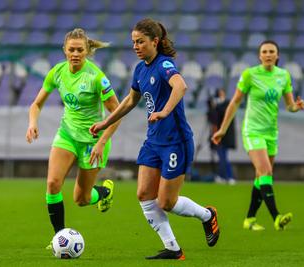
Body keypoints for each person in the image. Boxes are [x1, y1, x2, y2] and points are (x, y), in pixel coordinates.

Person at [90, 18, 219, 260]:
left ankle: (207, 215)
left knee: (166, 202)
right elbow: (130, 101)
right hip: (153, 142)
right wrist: (105, 123)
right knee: (143, 195)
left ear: (155, 41)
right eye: (133, 42)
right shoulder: (140, 69)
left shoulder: (164, 64)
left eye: (140, 42)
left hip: (175, 142)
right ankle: (173, 249)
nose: (135, 46)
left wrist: (165, 111)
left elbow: (180, 86)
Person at [25, 28, 121, 248]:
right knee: (52, 183)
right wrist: (32, 123)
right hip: (67, 135)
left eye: (80, 49)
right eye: (71, 49)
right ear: (64, 50)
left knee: (81, 199)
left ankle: (104, 192)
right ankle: (59, 238)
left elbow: (117, 113)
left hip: (92, 142)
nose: (75, 53)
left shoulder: (97, 77)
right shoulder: (57, 72)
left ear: (87, 51)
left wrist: (101, 142)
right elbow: (36, 104)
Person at [212, 40, 304, 231]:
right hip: (252, 130)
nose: (268, 54)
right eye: (265, 51)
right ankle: (277, 217)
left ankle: (249, 219)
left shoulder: (283, 76)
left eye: (272, 51)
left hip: (271, 132)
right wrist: (222, 129)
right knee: (266, 172)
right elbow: (235, 102)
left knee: (261, 177)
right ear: (259, 55)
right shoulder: (250, 75)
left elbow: (289, 105)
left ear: (277, 55)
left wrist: (297, 107)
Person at [208, 88, 237, 185]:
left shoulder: (226, 105)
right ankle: (224, 177)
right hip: (220, 136)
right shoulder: (221, 106)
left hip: (224, 136)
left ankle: (227, 177)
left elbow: (219, 117)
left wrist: (215, 107)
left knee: (223, 157)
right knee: (222, 157)